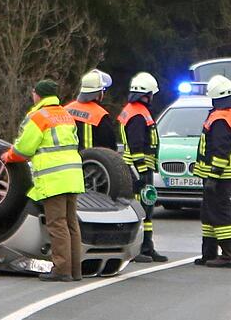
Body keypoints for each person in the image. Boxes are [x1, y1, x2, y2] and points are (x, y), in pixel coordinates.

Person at [2, 79, 84, 282]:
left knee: (57, 224)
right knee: (71, 223)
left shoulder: (39, 117)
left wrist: (8, 157)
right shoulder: (66, 114)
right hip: (73, 175)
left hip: (54, 177)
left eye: (33, 92)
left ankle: (61, 269)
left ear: (38, 95)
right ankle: (75, 270)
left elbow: (24, 149)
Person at [192, 75, 231, 269]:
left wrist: (213, 176)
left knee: (219, 214)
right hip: (223, 173)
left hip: (220, 175)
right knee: (208, 214)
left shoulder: (222, 118)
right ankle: (209, 253)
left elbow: (220, 149)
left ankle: (228, 255)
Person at [118, 72, 168, 263]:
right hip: (138, 170)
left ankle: (147, 247)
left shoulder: (135, 110)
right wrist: (139, 174)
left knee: (147, 209)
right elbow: (136, 146)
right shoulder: (138, 114)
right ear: (146, 94)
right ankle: (139, 248)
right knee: (141, 209)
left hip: (141, 169)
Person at [65, 69, 117, 151]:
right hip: (90, 161)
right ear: (98, 94)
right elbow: (110, 147)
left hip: (67, 160)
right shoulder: (100, 115)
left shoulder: (66, 109)